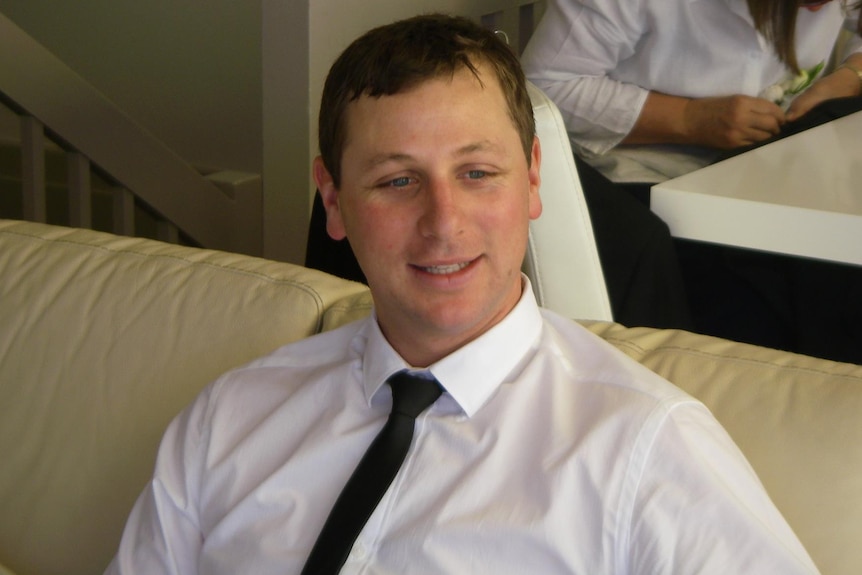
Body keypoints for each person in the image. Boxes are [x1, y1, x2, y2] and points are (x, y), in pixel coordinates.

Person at [106, 14, 820, 574]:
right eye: (396, 180)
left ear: (534, 179)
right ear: (333, 199)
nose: (443, 223)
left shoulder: (645, 450)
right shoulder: (228, 420)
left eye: (478, 172)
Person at [522, 0, 862, 363]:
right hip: (638, 172)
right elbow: (543, 88)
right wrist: (688, 118)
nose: (823, 12)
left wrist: (850, 75)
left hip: (765, 162)